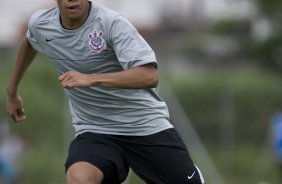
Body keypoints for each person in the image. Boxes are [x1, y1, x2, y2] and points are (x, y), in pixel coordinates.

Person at [6, 0, 205, 183]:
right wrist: (12, 91)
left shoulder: (111, 23)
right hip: (95, 129)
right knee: (79, 178)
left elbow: (149, 76)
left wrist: (91, 79)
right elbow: (30, 40)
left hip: (144, 126)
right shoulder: (42, 24)